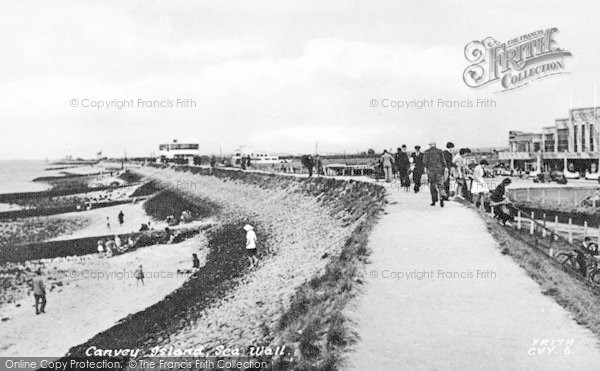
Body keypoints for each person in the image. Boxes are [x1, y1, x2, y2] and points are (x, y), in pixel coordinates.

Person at [423, 141, 447, 207]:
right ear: (435, 145)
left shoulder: (426, 152)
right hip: (439, 170)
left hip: (431, 171)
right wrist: (443, 168)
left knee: (432, 185)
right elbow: (444, 162)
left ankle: (434, 200)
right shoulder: (440, 151)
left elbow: (424, 162)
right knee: (440, 184)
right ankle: (441, 197)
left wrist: (427, 167)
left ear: (430, 145)